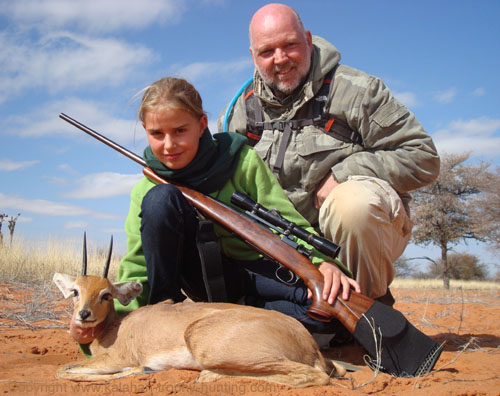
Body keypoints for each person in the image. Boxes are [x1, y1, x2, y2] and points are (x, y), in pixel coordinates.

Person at [218, 3, 440, 302]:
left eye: (290, 45)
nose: (280, 59)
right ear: (252, 56)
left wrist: (343, 174)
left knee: (352, 204)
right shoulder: (236, 113)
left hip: (356, 232)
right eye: (267, 51)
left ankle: (369, 313)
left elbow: (422, 157)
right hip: (286, 243)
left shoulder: (358, 90)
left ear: (308, 40)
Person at [114, 76, 360, 336]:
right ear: (145, 129)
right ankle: (164, 320)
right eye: (157, 134)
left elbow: (287, 222)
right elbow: (138, 264)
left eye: (180, 131)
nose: (169, 145)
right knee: (161, 200)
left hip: (253, 270)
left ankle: (236, 322)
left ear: (201, 125)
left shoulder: (242, 160)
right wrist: (112, 321)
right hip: (201, 280)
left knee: (329, 313)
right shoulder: (146, 188)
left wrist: (322, 262)